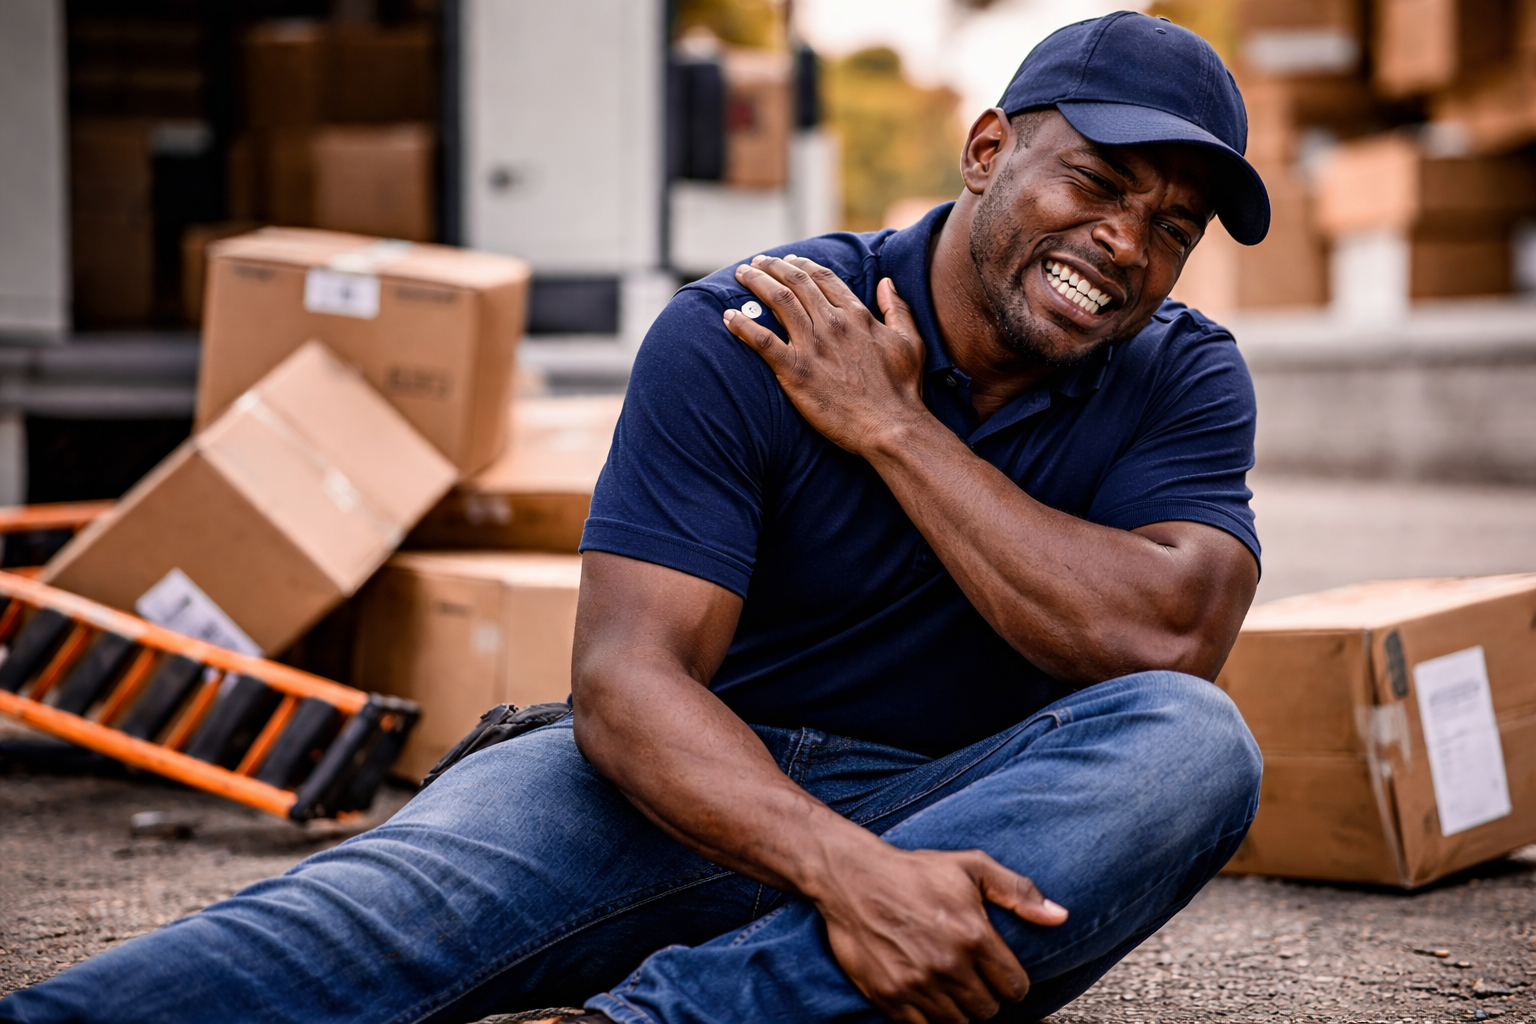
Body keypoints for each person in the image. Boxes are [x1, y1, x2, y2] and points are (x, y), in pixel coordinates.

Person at [1, 12, 1269, 1024]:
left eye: (1172, 226)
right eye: (1096, 182)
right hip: (675, 786)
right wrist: (849, 878)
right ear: (988, 151)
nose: (1123, 243)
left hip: (962, 806)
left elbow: (1161, 643)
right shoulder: (753, 323)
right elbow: (627, 682)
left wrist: (894, 427)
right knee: (337, 932)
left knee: (1194, 746)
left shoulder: (1182, 373)